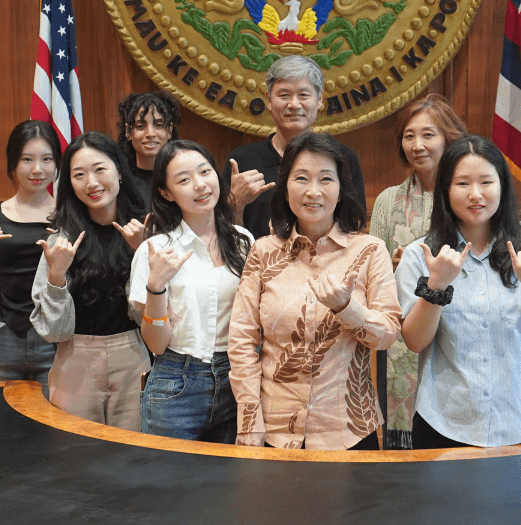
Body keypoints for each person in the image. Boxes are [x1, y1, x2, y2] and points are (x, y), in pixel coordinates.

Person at [228, 132, 400, 450]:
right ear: (286, 186)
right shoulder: (264, 251)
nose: (313, 191)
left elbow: (388, 335)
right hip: (273, 432)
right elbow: (241, 342)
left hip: (349, 432)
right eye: (301, 178)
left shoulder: (370, 251)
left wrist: (347, 307)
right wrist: (250, 420)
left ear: (340, 189)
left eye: (325, 179)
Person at [395, 135, 521, 447]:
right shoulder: (421, 255)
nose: (475, 195)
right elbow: (415, 341)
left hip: (518, 421)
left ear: (502, 186)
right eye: (462, 184)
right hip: (444, 423)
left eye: (486, 182)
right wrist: (437, 286)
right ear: (445, 189)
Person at [130, 140, 253, 443]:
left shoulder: (243, 241)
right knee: (173, 487)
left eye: (205, 172)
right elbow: (157, 346)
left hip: (238, 379)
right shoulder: (155, 250)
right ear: (166, 193)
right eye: (184, 180)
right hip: (177, 384)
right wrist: (156, 287)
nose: (199, 185)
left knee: (230, 486)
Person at [30, 132, 149, 428]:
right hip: (74, 360)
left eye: (100, 169)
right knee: (76, 457)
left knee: (137, 456)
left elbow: (147, 316)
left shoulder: (145, 232)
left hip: (133, 354)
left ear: (119, 171)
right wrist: (56, 276)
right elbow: (55, 333)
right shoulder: (60, 240)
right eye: (79, 175)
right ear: (69, 183)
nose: (92, 183)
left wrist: (142, 255)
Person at [368, 93, 467, 449]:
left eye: (428, 135)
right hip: (400, 335)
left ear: (449, 138)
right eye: (409, 136)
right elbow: (369, 275)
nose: (417, 145)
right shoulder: (388, 200)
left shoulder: (466, 196)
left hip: (458, 334)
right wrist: (393, 268)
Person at [224, 56, 365, 240]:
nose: (294, 104)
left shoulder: (343, 157)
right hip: (254, 264)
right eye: (284, 95)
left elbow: (354, 228)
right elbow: (221, 237)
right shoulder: (241, 161)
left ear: (319, 98)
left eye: (304, 95)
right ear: (268, 99)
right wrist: (235, 203)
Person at [0, 120, 63, 395]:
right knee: (0, 425)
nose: (37, 169)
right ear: (13, 164)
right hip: (6, 335)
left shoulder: (69, 215)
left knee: (55, 428)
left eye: (47, 159)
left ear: (57, 164)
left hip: (56, 337)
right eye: (27, 159)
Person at [116, 90, 180, 208]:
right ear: (128, 131)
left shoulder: (184, 176)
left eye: (159, 125)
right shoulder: (117, 180)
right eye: (140, 126)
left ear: (169, 130)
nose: (150, 133)